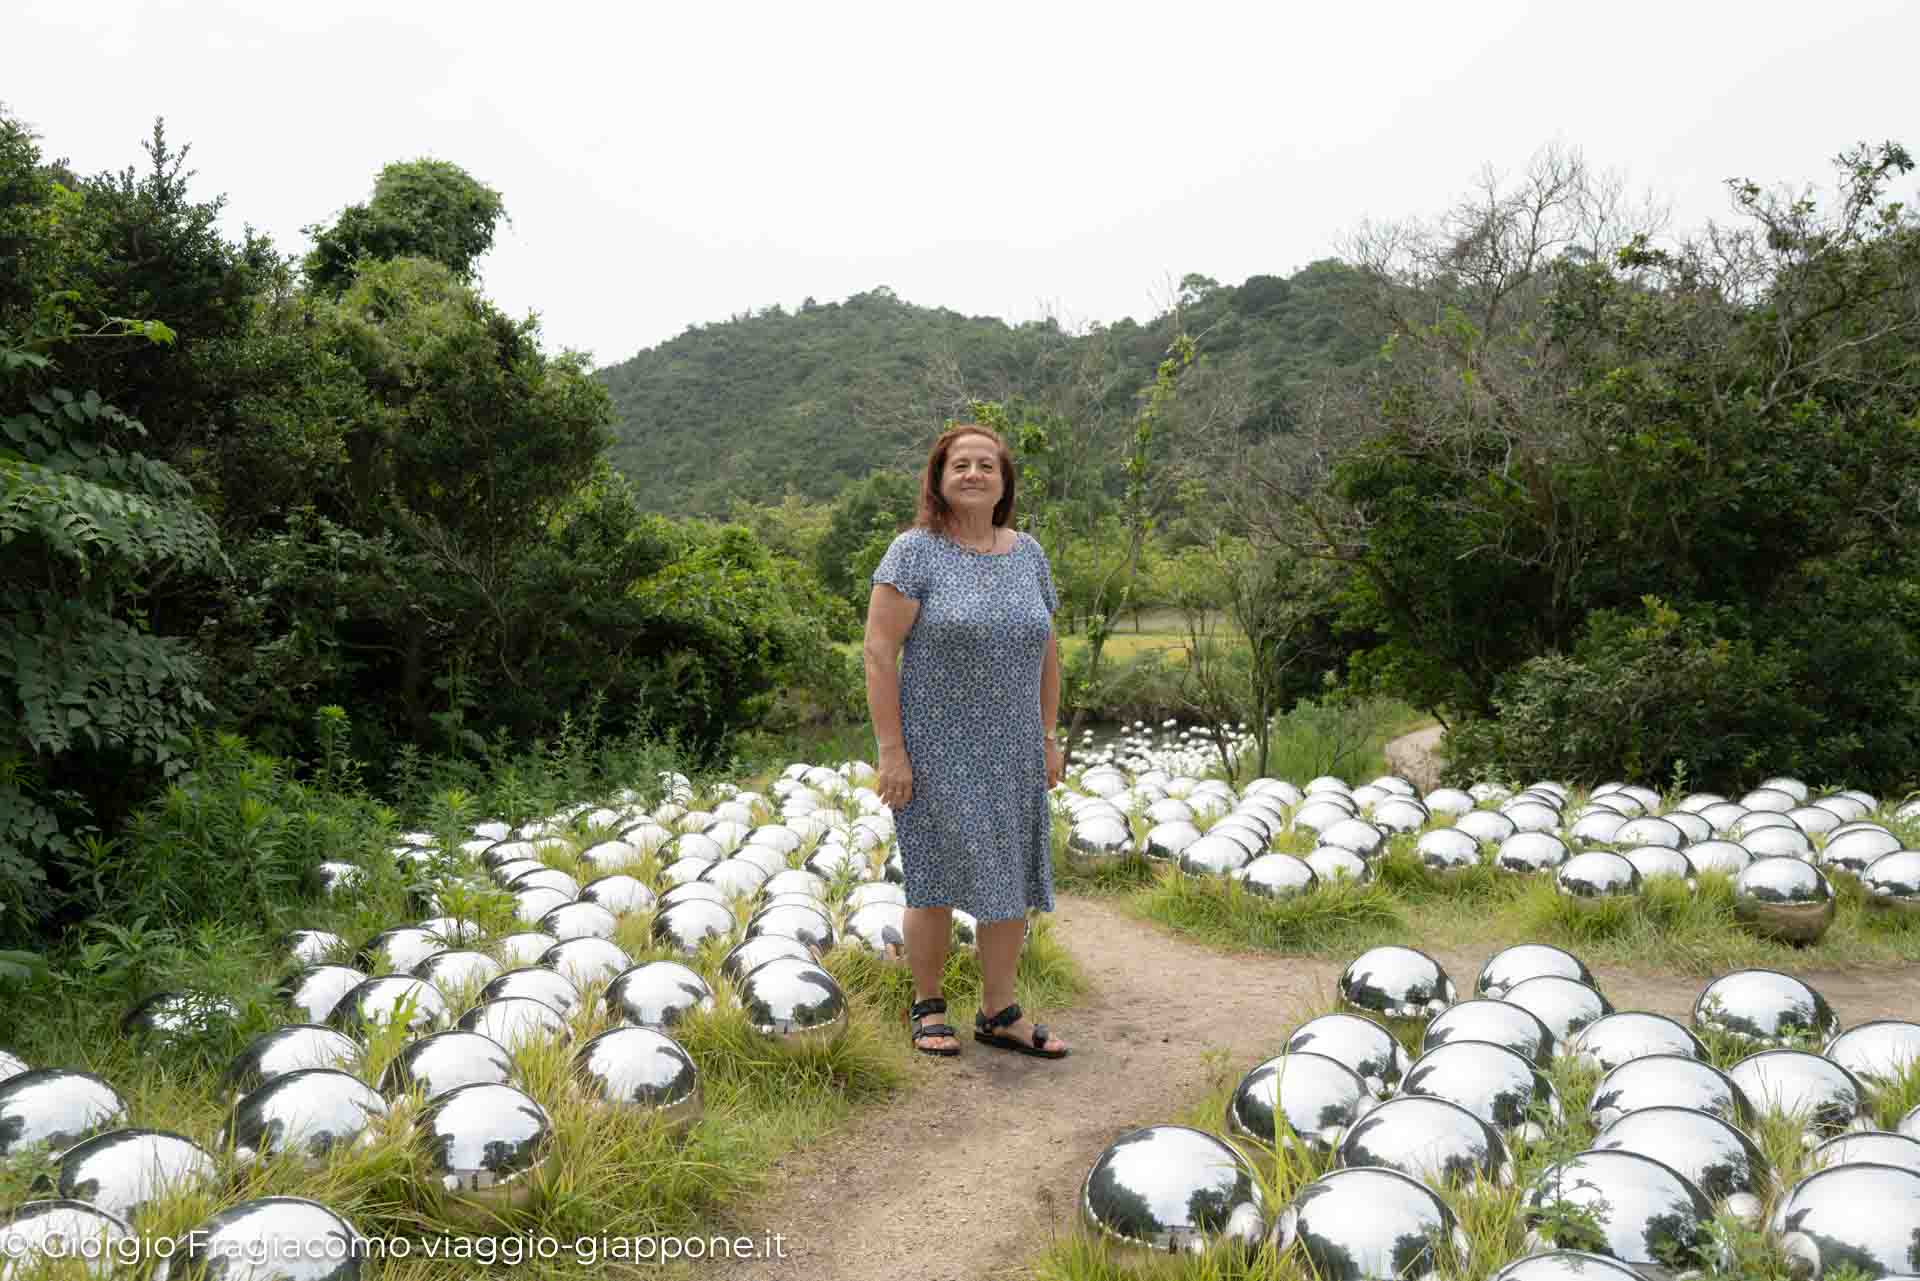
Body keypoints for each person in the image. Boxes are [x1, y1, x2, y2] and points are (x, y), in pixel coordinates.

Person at [862, 423, 1070, 1059]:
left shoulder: (1028, 552)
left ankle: (999, 1012)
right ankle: (928, 1007)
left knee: (1008, 877)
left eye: (987, 465)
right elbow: (878, 653)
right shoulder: (914, 552)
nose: (974, 473)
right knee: (934, 878)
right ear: (939, 478)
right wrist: (891, 751)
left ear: (1004, 482)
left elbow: (1048, 649)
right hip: (934, 748)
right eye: (961, 465)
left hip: (1013, 749)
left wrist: (1048, 735)